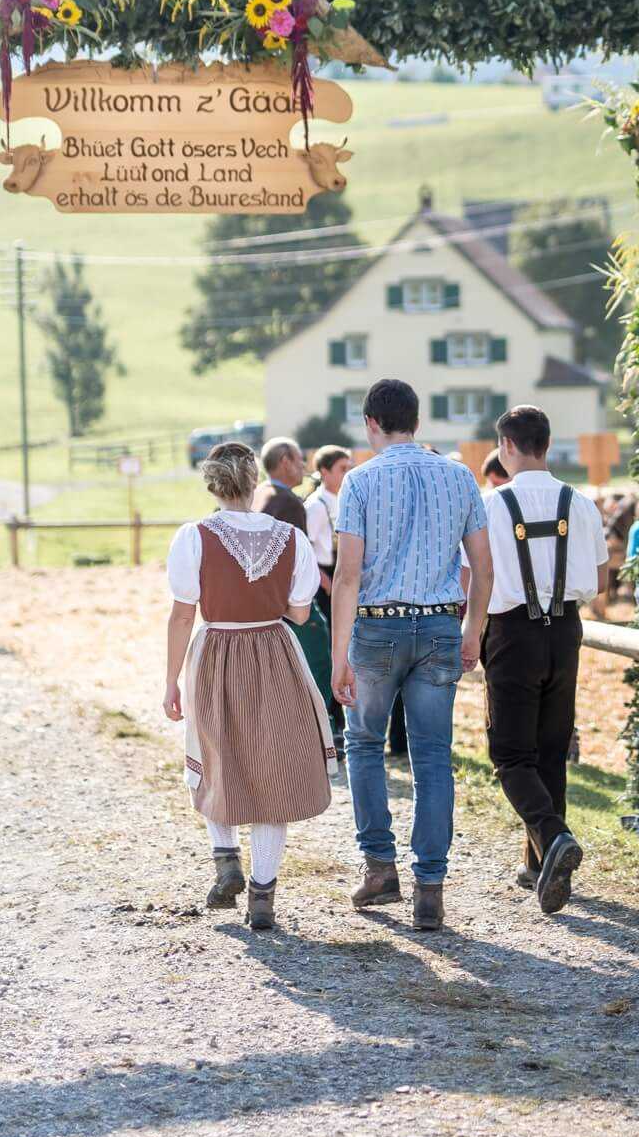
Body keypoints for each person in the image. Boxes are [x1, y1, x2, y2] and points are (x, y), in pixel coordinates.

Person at [331, 379, 492, 933]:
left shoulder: (358, 481)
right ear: (416, 422)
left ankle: (379, 867)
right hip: (443, 625)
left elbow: (348, 576)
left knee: (365, 744)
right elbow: (484, 567)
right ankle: (430, 887)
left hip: (377, 628)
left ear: (370, 423)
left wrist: (338, 656)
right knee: (431, 756)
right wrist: (473, 630)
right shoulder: (459, 475)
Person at [163, 440, 334, 932]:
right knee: (271, 767)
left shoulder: (192, 536)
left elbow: (181, 614)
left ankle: (226, 862)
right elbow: (301, 612)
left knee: (218, 756)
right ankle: (263, 894)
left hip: (217, 651)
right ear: (254, 481)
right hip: (276, 651)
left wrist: (170, 680)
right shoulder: (289, 537)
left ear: (213, 485)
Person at [480, 405, 607, 914]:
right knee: (551, 751)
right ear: (547, 445)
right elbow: (599, 574)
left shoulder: (492, 504)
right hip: (566, 629)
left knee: (511, 755)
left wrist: (472, 633)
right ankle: (538, 863)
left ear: (507, 446)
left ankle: (553, 838)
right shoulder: (579, 502)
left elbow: (476, 577)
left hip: (513, 631)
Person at [302, 444, 352, 757]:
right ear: (325, 472)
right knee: (334, 646)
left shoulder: (344, 499)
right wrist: (329, 584)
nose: (347, 474)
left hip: (343, 577)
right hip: (326, 580)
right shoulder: (316, 505)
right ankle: (332, 720)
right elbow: (307, 550)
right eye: (342, 469)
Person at [254, 437, 308, 530]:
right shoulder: (290, 503)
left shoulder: (255, 494)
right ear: (286, 462)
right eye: (299, 459)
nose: (303, 465)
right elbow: (297, 543)